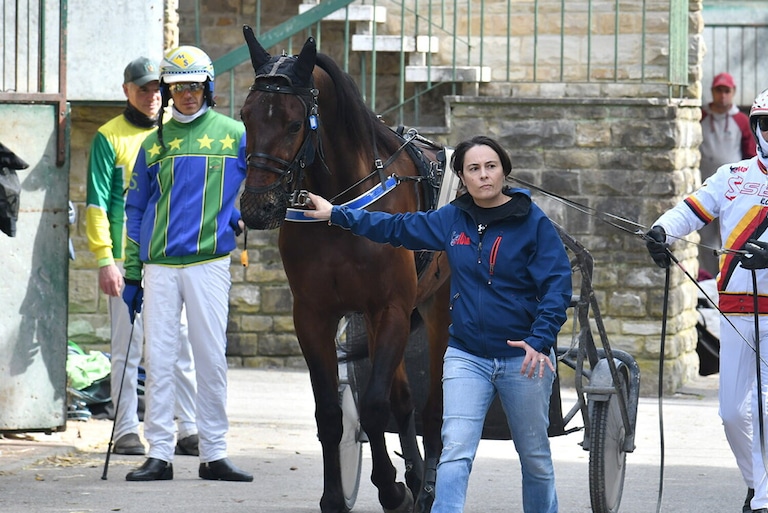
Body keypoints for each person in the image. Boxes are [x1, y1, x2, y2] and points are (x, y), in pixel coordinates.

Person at [303, 135, 572, 513]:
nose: (483, 176)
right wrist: (336, 214)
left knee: (535, 459)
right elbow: (394, 228)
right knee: (456, 453)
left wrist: (540, 339)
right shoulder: (452, 219)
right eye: (474, 169)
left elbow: (558, 287)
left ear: (504, 171)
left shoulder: (534, 224)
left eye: (491, 166)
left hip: (521, 359)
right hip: (467, 357)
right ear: (461, 177)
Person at [647, 85, 768, 513]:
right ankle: (756, 484)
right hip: (733, 310)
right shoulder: (731, 175)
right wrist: (661, 231)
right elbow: (690, 211)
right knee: (732, 414)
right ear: (753, 125)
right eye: (765, 122)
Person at [122, 45, 251, 482]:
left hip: (209, 262)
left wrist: (239, 214)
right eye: (178, 88)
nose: (187, 95)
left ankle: (214, 454)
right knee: (157, 358)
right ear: (168, 91)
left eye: (195, 86)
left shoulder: (236, 134)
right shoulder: (153, 143)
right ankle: (158, 453)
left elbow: (267, 183)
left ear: (208, 87)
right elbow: (135, 208)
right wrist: (133, 270)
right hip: (158, 266)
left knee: (210, 357)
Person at [84, 56, 200, 457]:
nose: (152, 96)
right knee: (127, 348)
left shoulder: (175, 134)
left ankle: (188, 428)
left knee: (180, 343)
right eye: (143, 89)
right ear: (126, 91)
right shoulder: (107, 137)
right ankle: (126, 429)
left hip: (170, 257)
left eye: (156, 89)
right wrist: (105, 259)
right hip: (124, 259)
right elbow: (96, 204)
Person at [697, 72, 757, 275]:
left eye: (726, 91)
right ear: (712, 91)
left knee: (731, 238)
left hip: (733, 193)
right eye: (718, 90)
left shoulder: (741, 120)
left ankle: (729, 280)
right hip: (703, 190)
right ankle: (707, 280)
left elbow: (751, 155)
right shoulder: (700, 117)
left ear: (733, 93)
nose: (722, 95)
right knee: (705, 240)